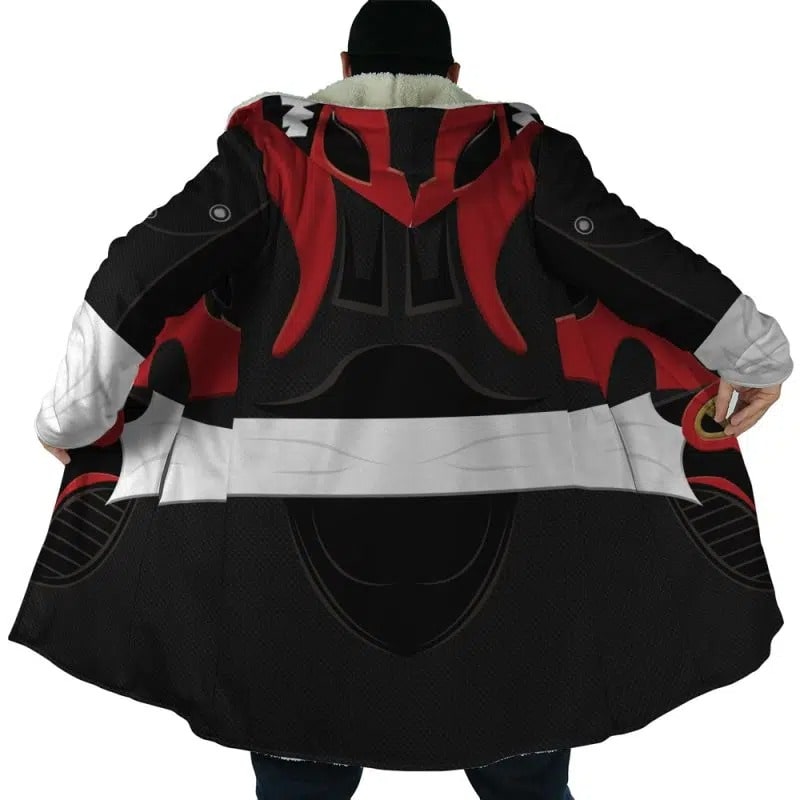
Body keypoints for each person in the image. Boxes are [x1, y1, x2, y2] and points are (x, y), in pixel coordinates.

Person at [13, 2, 791, 800]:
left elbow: (136, 277)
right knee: (524, 766)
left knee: (300, 770)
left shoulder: (270, 157)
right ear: (454, 75)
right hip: (509, 557)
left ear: (344, 69)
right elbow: (638, 261)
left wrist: (73, 418)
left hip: (291, 556)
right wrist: (755, 352)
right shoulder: (524, 156)